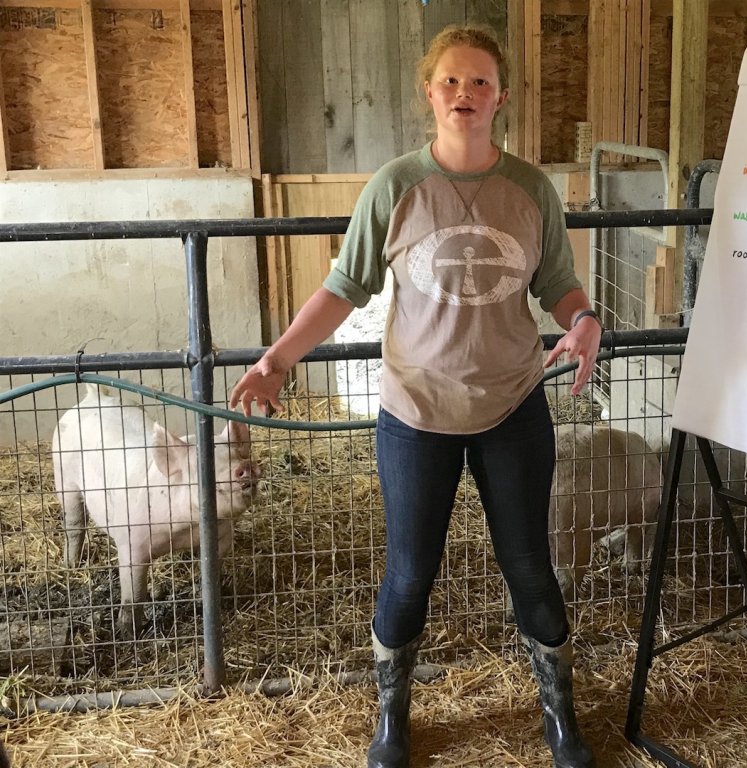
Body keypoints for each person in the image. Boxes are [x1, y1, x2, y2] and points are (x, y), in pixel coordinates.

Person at [230, 24, 600, 768]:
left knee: (530, 564)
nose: (465, 94)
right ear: (429, 93)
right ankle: (392, 719)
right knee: (409, 572)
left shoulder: (530, 189)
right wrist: (277, 360)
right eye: (452, 82)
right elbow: (344, 287)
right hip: (416, 412)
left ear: (501, 96)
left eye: (481, 82)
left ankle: (560, 717)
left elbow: (557, 285)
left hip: (512, 405)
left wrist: (585, 320)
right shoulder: (396, 187)